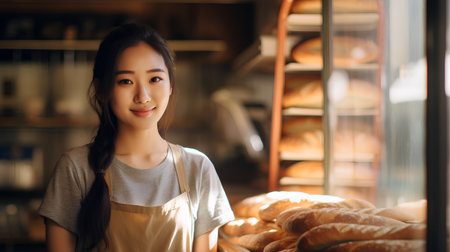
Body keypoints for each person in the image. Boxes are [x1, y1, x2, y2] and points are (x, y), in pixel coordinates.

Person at [39, 23, 235, 252]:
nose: (142, 96)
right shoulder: (76, 167)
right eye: (125, 81)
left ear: (171, 84)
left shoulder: (198, 168)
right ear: (102, 90)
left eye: (155, 79)